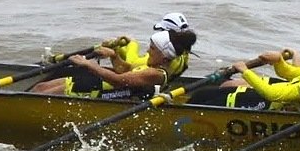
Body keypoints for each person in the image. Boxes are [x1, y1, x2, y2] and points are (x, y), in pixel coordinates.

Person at [32, 28, 197, 99]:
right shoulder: (151, 66)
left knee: (41, 93)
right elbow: (123, 70)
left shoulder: (156, 74)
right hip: (97, 83)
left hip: (97, 91)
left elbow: (119, 81)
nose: (148, 51)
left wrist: (89, 65)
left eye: (152, 49)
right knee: (40, 88)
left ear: (164, 57)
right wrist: (113, 55)